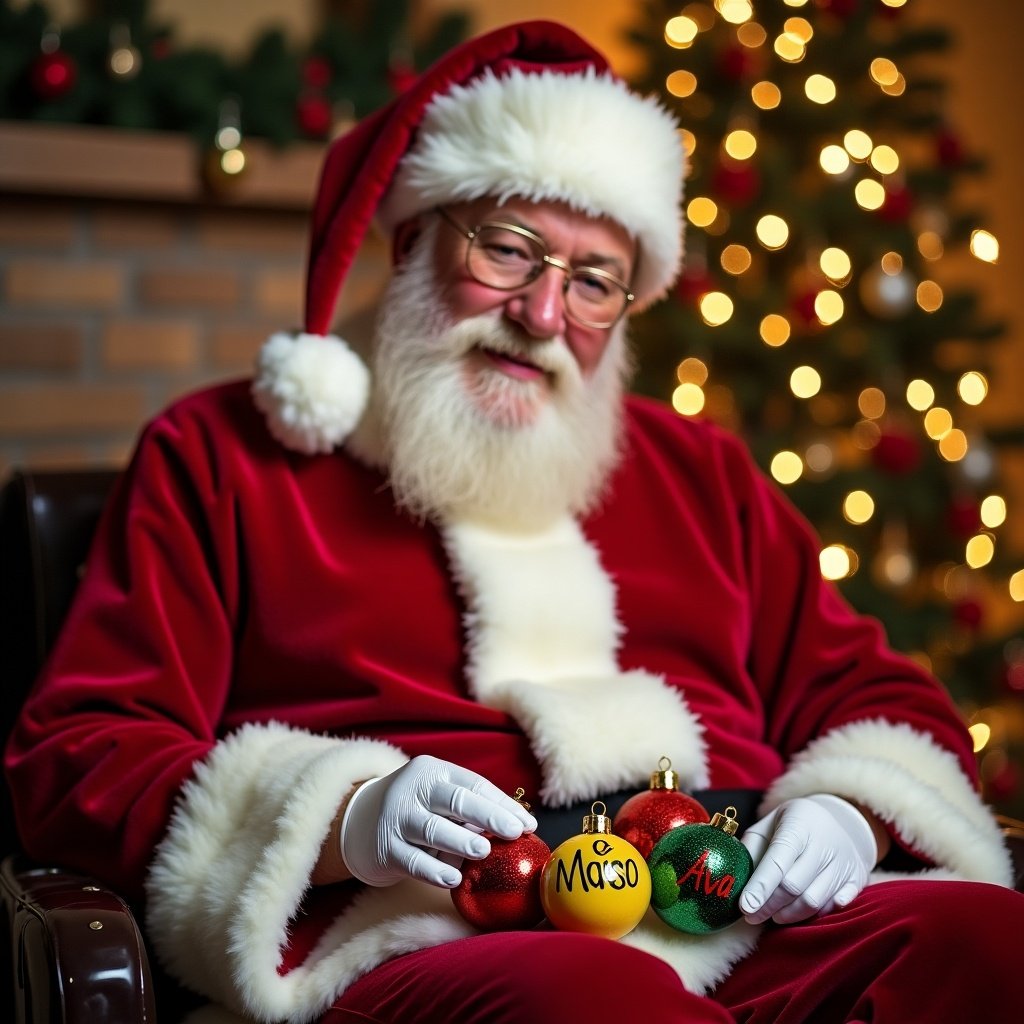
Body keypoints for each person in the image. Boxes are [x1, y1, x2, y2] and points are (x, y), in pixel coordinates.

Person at [5, 19, 1021, 1024]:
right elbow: (80, 752)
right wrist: (338, 813)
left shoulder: (697, 469)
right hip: (422, 932)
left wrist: (849, 807)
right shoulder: (221, 454)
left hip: (734, 911)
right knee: (595, 1000)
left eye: (592, 283)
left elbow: (882, 698)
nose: (542, 314)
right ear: (411, 241)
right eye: (507, 250)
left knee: (988, 944)